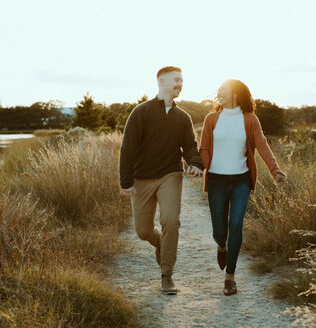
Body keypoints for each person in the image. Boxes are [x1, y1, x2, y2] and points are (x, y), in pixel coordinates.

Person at [119, 66, 203, 295]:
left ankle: (167, 275)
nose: (180, 84)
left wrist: (196, 163)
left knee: (171, 220)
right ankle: (160, 244)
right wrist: (125, 182)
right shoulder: (140, 112)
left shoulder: (183, 118)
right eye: (176, 80)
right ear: (162, 81)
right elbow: (127, 149)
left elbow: (190, 147)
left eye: (182, 81)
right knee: (143, 231)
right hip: (142, 178)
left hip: (170, 175)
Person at [199, 79, 286, 296]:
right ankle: (222, 246)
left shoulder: (250, 120)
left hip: (241, 181)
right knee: (219, 232)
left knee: (236, 225)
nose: (219, 93)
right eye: (218, 90)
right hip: (217, 181)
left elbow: (262, 146)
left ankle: (230, 277)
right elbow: (205, 149)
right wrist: (200, 167)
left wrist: (275, 171)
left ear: (236, 94)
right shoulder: (211, 119)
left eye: (223, 90)